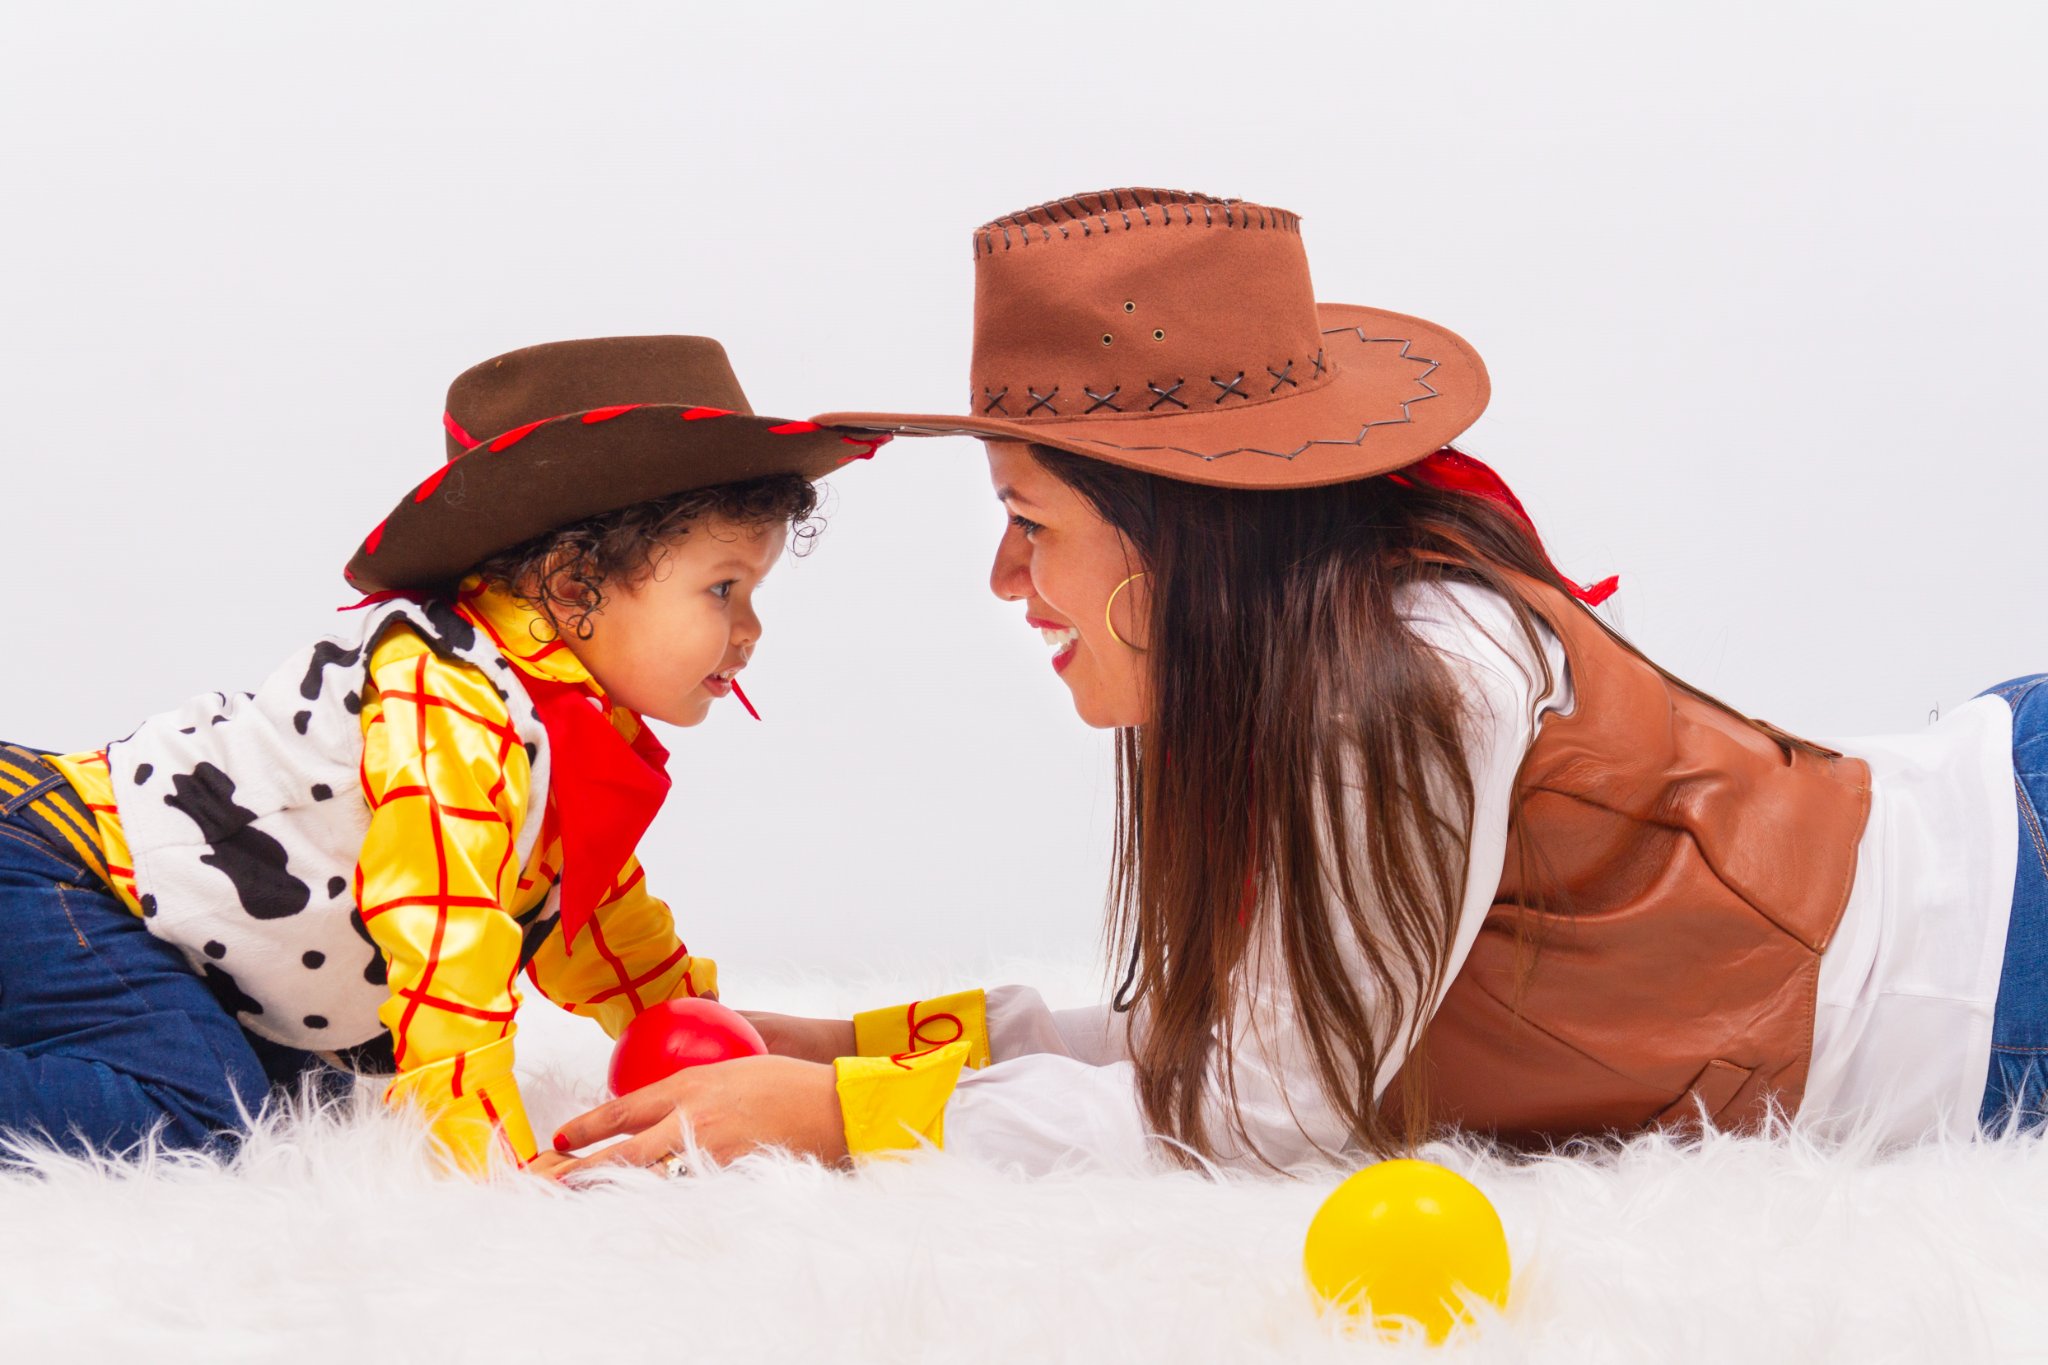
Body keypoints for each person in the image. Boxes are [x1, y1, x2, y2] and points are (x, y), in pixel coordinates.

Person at [542, 190, 2029, 1178]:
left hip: (2004, 941)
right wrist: (884, 1043)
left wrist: (831, 1121)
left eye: (1031, 523)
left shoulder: (1403, 680)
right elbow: (1237, 1049)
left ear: (1174, 531)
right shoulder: (1321, 670)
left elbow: (1271, 1118)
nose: (1006, 582)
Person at [0, 335, 882, 1171]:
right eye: (723, 589)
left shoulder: (566, 725)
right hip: (57, 863)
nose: (750, 630)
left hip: (173, 938)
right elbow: (443, 920)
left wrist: (692, 1033)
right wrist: (486, 1158)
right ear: (576, 587)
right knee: (196, 1114)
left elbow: (595, 921)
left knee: (312, 1090)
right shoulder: (448, 693)